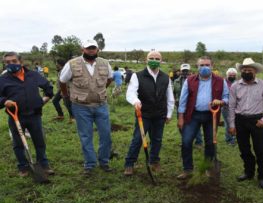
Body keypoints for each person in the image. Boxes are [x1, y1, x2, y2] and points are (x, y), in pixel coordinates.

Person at [59, 39, 114, 175]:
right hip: (81, 106)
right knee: (86, 136)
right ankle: (89, 164)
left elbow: (109, 78)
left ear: (97, 50)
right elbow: (62, 81)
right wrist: (66, 96)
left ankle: (104, 161)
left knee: (106, 134)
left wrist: (99, 92)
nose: (91, 50)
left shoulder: (105, 63)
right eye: (88, 48)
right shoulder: (72, 64)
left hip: (101, 105)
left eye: (93, 48)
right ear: (82, 49)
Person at [0, 52, 54, 177]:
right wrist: (4, 101)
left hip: (34, 115)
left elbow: (48, 87)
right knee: (18, 143)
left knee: (39, 141)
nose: (11, 64)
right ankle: (23, 167)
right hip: (15, 116)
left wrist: (45, 99)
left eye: (14, 61)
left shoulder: (33, 75)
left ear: (21, 62)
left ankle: (43, 164)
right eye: (8, 62)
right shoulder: (3, 80)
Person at [177, 56, 229, 179]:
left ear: (212, 66)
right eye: (202, 65)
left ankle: (208, 167)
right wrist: (180, 117)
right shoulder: (190, 80)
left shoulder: (221, 81)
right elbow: (183, 100)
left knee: (210, 142)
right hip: (193, 115)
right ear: (197, 66)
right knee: (186, 141)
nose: (204, 67)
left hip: (212, 115)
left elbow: (227, 97)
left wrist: (221, 101)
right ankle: (187, 169)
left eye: (207, 65)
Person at [124, 50, 174, 176]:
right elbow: (131, 92)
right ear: (146, 60)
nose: (154, 60)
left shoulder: (165, 77)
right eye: (151, 58)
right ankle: (129, 163)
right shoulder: (138, 75)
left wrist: (169, 114)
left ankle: (154, 161)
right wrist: (135, 101)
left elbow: (170, 97)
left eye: (157, 58)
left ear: (161, 61)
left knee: (157, 139)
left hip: (160, 114)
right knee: (138, 139)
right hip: (144, 113)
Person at [228, 58, 263, 188]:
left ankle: (262, 176)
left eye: (249, 70)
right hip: (240, 120)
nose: (247, 72)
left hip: (257, 121)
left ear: (255, 71)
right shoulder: (235, 86)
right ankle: (248, 172)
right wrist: (231, 125)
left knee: (260, 149)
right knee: (244, 149)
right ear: (241, 71)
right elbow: (231, 106)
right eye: (244, 70)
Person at [173, 63, 203, 147]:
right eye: (183, 71)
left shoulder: (195, 81)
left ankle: (199, 142)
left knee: (195, 124)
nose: (185, 72)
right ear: (180, 71)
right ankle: (185, 141)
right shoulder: (176, 81)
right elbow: (174, 93)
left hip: (191, 106)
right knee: (181, 124)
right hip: (180, 106)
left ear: (189, 71)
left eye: (186, 71)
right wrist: (175, 100)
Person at [222, 68, 237, 145]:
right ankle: (229, 139)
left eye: (233, 75)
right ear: (227, 75)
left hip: (236, 106)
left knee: (234, 123)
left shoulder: (237, 83)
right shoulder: (222, 82)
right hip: (225, 106)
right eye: (230, 75)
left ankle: (233, 138)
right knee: (228, 123)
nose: (232, 76)